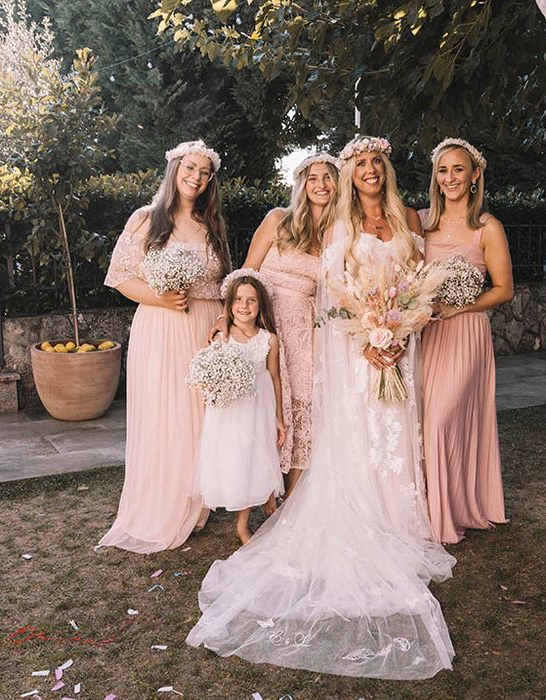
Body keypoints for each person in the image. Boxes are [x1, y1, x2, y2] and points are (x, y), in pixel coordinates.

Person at [186, 137, 455, 680]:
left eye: (375, 163)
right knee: (314, 419)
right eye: (358, 165)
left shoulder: (405, 218)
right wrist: (370, 331)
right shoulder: (330, 227)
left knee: (389, 428)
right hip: (354, 342)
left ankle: (396, 518)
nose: (367, 172)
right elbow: (336, 289)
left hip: (396, 344)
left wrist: (399, 326)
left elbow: (416, 281)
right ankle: (270, 494)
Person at [96, 140, 231, 554]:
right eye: (190, 167)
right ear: (175, 168)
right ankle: (167, 503)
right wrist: (161, 297)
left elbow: (224, 282)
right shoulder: (147, 219)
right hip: (162, 325)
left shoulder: (213, 225)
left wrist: (225, 319)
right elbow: (119, 276)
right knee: (168, 414)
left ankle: (199, 499)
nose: (197, 177)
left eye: (205, 172)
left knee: (203, 415)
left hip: (205, 327)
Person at [209, 154, 339, 498]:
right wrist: (226, 314)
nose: (321, 185)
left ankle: (291, 496)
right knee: (261, 407)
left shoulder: (336, 236)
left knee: (303, 405)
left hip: (303, 333)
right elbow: (247, 272)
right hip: (262, 323)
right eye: (313, 178)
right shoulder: (277, 221)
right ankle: (262, 491)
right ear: (302, 184)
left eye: (328, 178)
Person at [420, 137, 513, 544]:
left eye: (458, 169)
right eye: (443, 170)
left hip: (466, 332)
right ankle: (437, 507)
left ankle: (446, 515)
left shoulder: (487, 227)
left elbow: (504, 289)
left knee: (441, 421)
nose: (450, 178)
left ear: (475, 175)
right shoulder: (421, 223)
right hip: (426, 333)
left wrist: (460, 306)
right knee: (425, 422)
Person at [194, 272, 286, 544]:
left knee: (258, 456)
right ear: (230, 303)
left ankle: (255, 509)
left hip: (259, 406)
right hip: (230, 411)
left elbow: (274, 376)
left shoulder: (268, 339)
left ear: (260, 306)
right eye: (238, 300)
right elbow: (209, 373)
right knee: (237, 461)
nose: (244, 306)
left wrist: (279, 417)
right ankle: (243, 521)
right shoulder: (222, 336)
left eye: (252, 301)